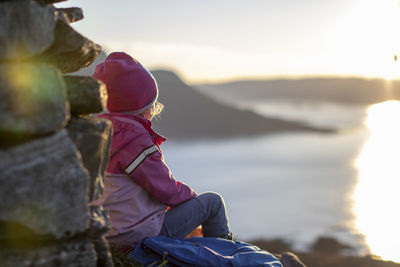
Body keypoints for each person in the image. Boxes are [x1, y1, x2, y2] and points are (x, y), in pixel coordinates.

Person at [92, 52, 232, 249]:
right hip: (133, 236)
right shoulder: (134, 140)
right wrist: (191, 204)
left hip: (103, 232)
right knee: (212, 203)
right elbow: (167, 190)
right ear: (144, 105)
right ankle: (225, 255)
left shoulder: (94, 132)